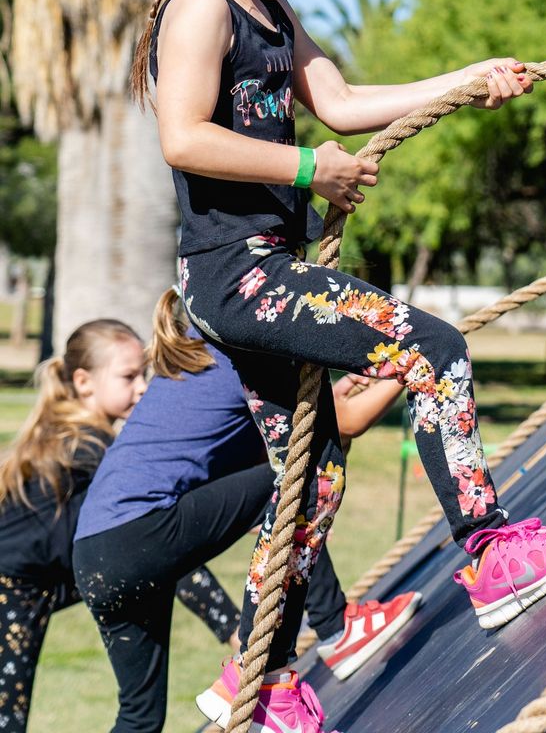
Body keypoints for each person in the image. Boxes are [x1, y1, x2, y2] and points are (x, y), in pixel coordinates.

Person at [125, 0, 546, 731]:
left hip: (261, 271)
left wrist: (467, 78)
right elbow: (183, 135)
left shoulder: (273, 16)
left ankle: (252, 686)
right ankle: (493, 551)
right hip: (237, 275)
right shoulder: (199, 10)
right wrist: (309, 172)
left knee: (314, 476)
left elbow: (340, 105)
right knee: (435, 348)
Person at [74, 291, 421, 733]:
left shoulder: (197, 350)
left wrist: (326, 400)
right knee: (302, 478)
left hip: (94, 554)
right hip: (137, 532)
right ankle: (337, 629)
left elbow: (273, 437)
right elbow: (343, 425)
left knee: (139, 716)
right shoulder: (240, 343)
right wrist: (413, 364)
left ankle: (326, 632)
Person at [0, 319, 242, 733]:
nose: (143, 387)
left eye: (144, 375)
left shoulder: (81, 438)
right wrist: (233, 630)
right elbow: (159, 547)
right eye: (129, 377)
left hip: (37, 581)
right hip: (13, 587)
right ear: (84, 382)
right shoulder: (86, 447)